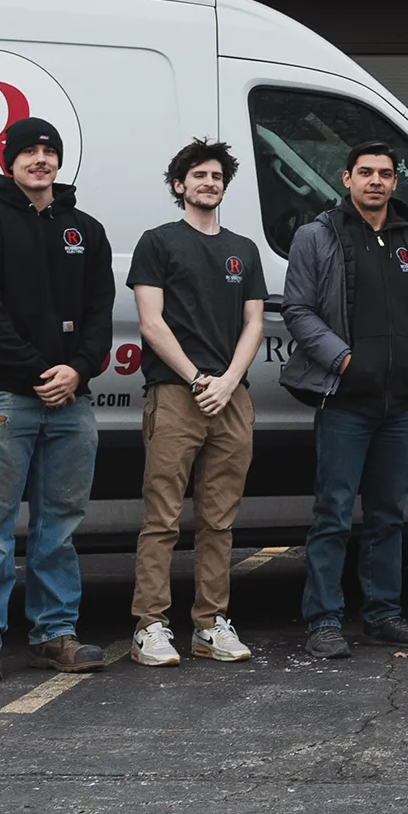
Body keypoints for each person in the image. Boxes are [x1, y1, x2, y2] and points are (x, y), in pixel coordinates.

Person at [0, 117, 113, 683]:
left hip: (72, 403)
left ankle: (55, 634)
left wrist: (78, 369)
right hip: (5, 399)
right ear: (10, 161)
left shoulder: (86, 231)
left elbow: (99, 314)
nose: (41, 159)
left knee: (59, 525)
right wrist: (42, 371)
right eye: (29, 151)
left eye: (49, 150)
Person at [280, 141, 408, 659]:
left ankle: (383, 614)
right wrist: (344, 361)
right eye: (366, 172)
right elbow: (298, 310)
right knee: (332, 514)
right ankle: (324, 621)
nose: (376, 181)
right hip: (344, 401)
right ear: (346, 178)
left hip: (398, 405)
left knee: (388, 516)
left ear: (395, 182)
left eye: (385, 174)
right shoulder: (317, 236)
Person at [125, 139, 266, 667]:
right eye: (199, 175)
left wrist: (228, 381)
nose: (209, 183)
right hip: (175, 394)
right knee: (161, 518)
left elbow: (254, 323)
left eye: (217, 176)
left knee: (219, 521)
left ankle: (210, 625)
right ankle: (150, 626)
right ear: (179, 185)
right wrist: (198, 378)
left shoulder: (243, 249)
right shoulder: (158, 242)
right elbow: (150, 322)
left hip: (231, 397)